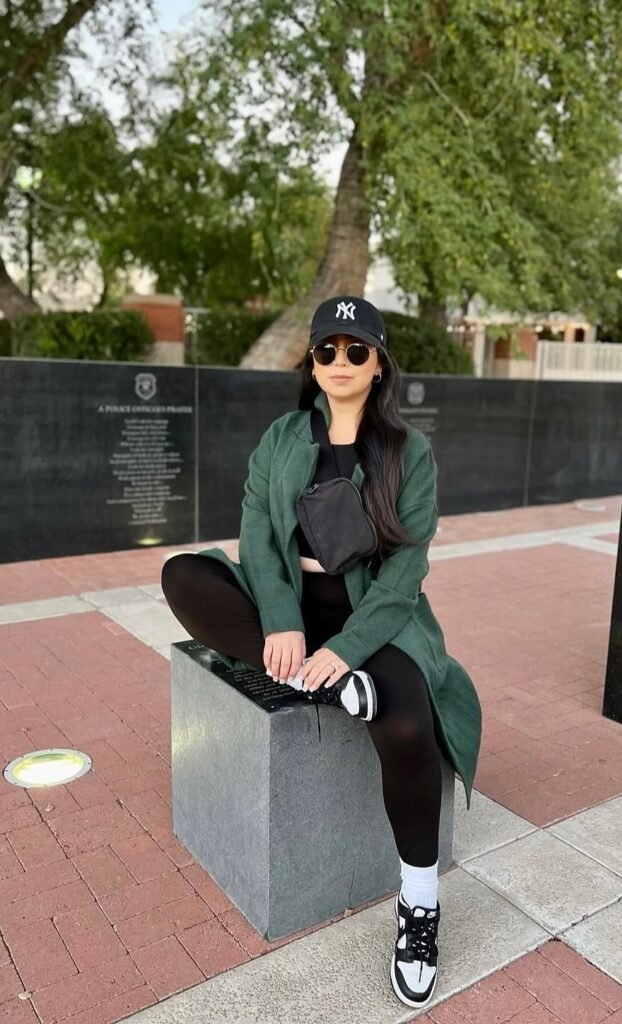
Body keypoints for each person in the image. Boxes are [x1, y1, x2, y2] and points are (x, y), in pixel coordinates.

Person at [161, 294, 483, 1010]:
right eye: (326, 350)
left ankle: (419, 907)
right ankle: (333, 685)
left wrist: (347, 646)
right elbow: (253, 536)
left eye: (355, 350)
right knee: (184, 576)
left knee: (405, 727)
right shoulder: (281, 436)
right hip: (291, 608)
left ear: (378, 364)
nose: (339, 361)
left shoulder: (408, 450)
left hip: (373, 612)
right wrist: (280, 619)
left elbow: (406, 569)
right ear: (310, 362)